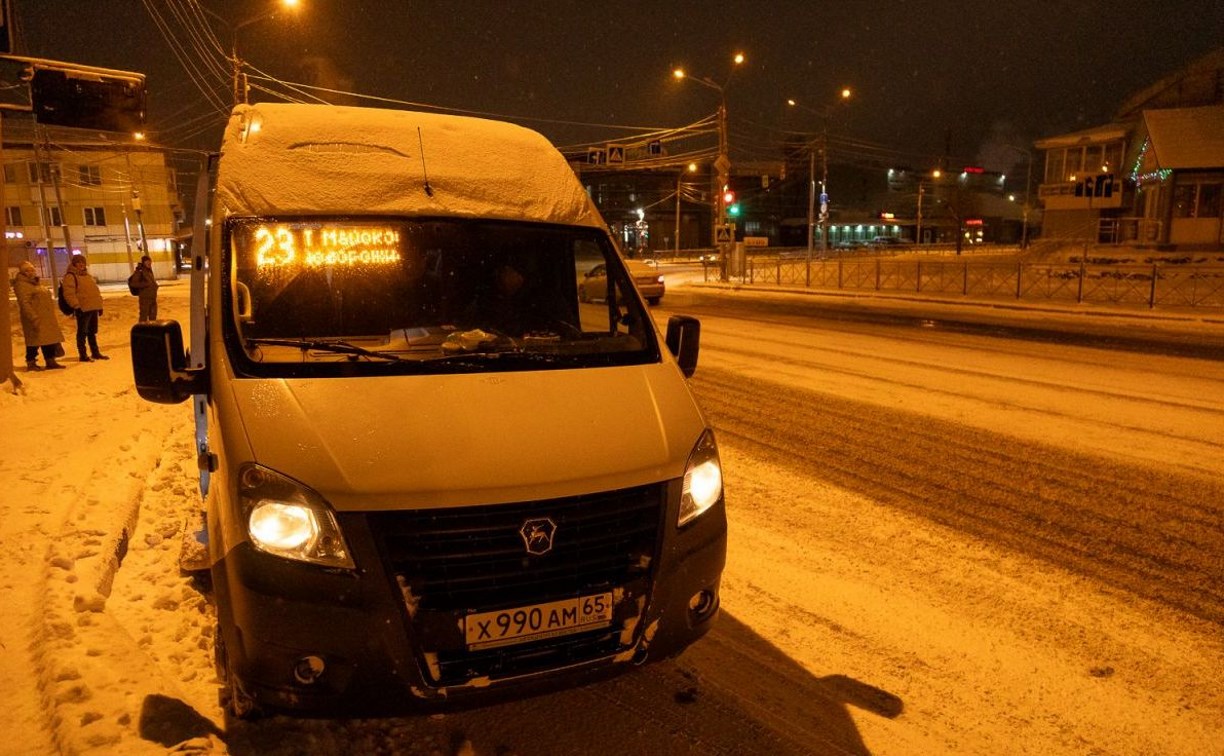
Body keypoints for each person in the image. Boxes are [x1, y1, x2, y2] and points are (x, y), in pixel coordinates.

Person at [11, 261, 66, 370]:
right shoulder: (22, 284)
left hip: (46, 317)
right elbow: (24, 303)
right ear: (22, 273)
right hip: (35, 318)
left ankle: (50, 360)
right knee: (34, 341)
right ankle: (31, 362)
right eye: (27, 270)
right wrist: (33, 317)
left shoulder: (36, 283)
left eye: (32, 269)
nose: (30, 272)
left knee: (48, 339)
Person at [61, 254, 109, 362]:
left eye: (83, 263)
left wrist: (99, 306)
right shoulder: (70, 276)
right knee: (82, 332)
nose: (81, 265)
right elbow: (69, 294)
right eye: (78, 263)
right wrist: (76, 306)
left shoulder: (87, 276)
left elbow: (95, 292)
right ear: (74, 264)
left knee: (92, 331)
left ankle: (95, 352)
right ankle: (83, 354)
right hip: (82, 309)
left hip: (93, 308)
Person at [130, 254, 160, 322]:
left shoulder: (149, 271)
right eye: (147, 262)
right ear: (143, 263)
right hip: (145, 299)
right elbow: (133, 284)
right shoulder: (139, 271)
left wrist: (155, 285)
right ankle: (141, 331)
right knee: (143, 317)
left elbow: (150, 282)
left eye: (150, 262)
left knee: (153, 317)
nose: (149, 263)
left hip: (152, 298)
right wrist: (145, 284)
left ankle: (152, 331)